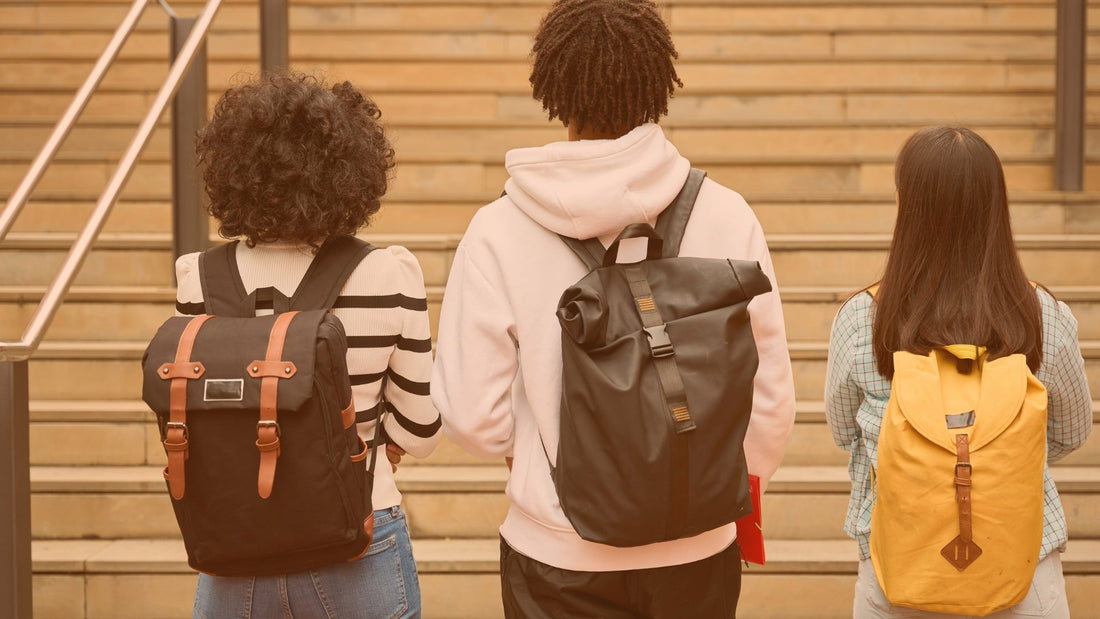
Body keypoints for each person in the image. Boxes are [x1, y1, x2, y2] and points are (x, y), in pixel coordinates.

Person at [429, 1, 796, 616]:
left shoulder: (498, 229)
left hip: (557, 554)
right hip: (698, 548)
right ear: (657, 85)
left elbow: (469, 415)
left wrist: (539, 461)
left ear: (554, 89)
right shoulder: (728, 212)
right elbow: (770, 396)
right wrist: (708, 476)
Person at [175, 71, 441, 619]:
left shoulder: (196, 278)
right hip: (359, 535)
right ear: (352, 173)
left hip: (234, 542)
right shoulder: (389, 273)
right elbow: (421, 430)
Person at [825, 126, 1092, 618]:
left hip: (897, 571)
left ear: (908, 207)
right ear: (996, 207)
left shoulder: (862, 317)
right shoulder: (1043, 314)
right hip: (1019, 569)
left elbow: (845, 431)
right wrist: (997, 451)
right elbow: (1070, 431)